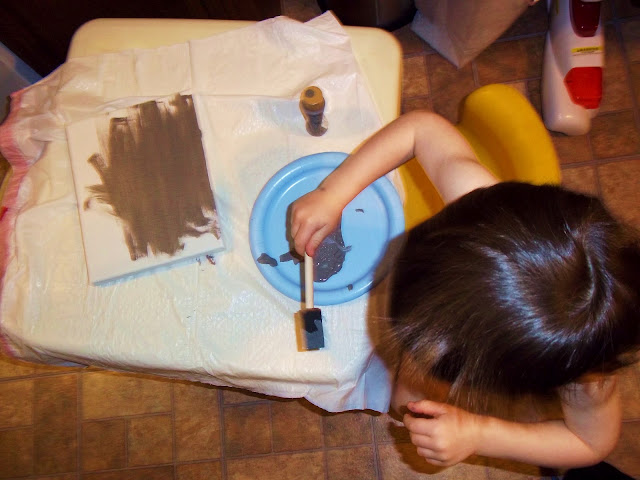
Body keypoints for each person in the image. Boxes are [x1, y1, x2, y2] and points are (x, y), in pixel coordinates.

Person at [289, 110, 640, 469]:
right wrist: (333, 192)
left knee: (407, 401)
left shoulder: (586, 378)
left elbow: (590, 442)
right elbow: (421, 128)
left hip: (455, 381)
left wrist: (477, 434)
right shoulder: (481, 211)